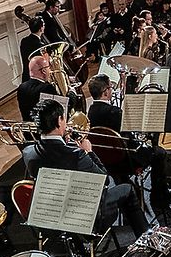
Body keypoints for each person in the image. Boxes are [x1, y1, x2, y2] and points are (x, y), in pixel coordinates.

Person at [21, 100, 148, 236]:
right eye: (64, 119)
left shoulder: (28, 152)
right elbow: (104, 180)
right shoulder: (76, 155)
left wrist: (66, 143)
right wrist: (89, 152)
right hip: (83, 217)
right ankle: (145, 235)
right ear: (59, 120)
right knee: (127, 190)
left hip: (52, 214)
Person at [84, 74, 171, 223]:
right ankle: (158, 196)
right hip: (125, 160)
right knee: (159, 153)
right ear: (106, 92)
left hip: (105, 160)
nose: (111, 90)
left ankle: (126, 183)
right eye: (110, 87)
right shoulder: (114, 113)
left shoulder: (90, 112)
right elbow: (131, 135)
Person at [17, 55, 59, 123]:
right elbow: (60, 111)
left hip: (29, 131)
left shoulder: (21, 87)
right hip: (45, 131)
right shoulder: (47, 88)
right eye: (48, 67)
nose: (50, 70)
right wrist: (72, 94)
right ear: (43, 71)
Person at [19, 17, 45, 81]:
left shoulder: (24, 41)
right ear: (41, 29)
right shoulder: (41, 46)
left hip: (26, 78)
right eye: (44, 25)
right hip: (37, 80)